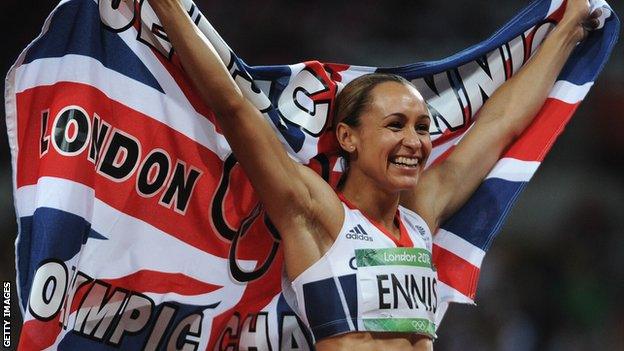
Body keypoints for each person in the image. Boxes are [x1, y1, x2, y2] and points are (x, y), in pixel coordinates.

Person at [148, 0, 600, 350]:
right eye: (395, 125)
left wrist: (568, 29)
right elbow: (234, 108)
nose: (415, 141)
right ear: (348, 138)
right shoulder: (317, 215)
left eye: (422, 128)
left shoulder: (422, 218)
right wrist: (166, 7)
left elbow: (500, 126)